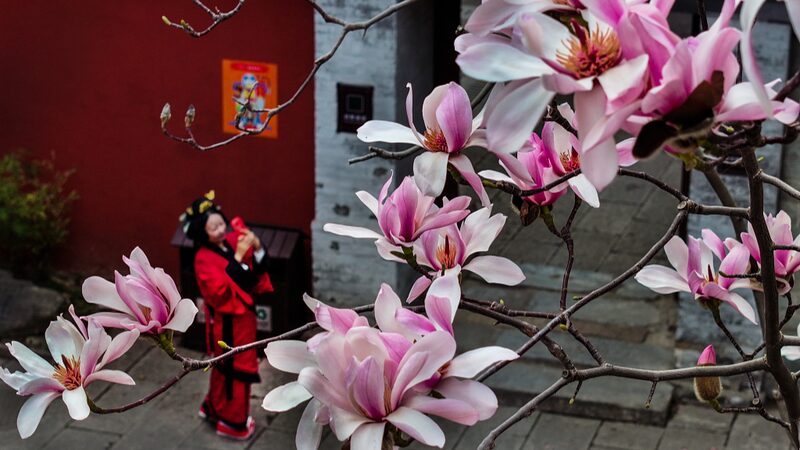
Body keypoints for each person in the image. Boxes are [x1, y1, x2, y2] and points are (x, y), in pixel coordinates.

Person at [179, 191, 273, 440]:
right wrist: (240, 256)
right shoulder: (202, 259)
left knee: (224, 370)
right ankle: (232, 423)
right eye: (213, 228)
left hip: (244, 318)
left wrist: (257, 247)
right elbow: (219, 293)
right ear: (202, 233)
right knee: (234, 370)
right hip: (228, 323)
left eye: (221, 223)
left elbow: (251, 275)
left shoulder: (231, 242)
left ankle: (213, 408)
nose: (221, 230)